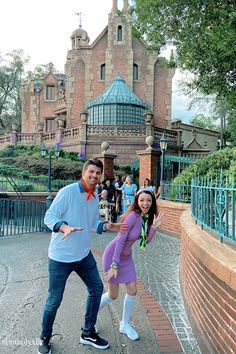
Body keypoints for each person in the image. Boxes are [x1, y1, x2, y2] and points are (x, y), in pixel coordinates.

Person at [38, 158, 128, 354]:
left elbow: (93, 222)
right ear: (83, 172)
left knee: (96, 289)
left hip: (83, 254)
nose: (94, 176)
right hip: (60, 257)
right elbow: (49, 216)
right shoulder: (68, 192)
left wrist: (107, 226)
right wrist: (63, 226)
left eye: (98, 173)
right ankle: (44, 338)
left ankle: (88, 332)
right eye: (91, 172)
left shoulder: (94, 194)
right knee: (54, 299)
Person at [97, 189, 164, 341]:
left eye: (148, 200)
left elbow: (143, 242)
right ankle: (90, 317)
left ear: (152, 202)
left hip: (126, 258)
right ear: (137, 201)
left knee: (132, 291)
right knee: (113, 295)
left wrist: (153, 228)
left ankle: (125, 324)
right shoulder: (132, 216)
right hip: (113, 256)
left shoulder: (146, 217)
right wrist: (114, 265)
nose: (145, 203)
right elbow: (120, 241)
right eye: (142, 200)